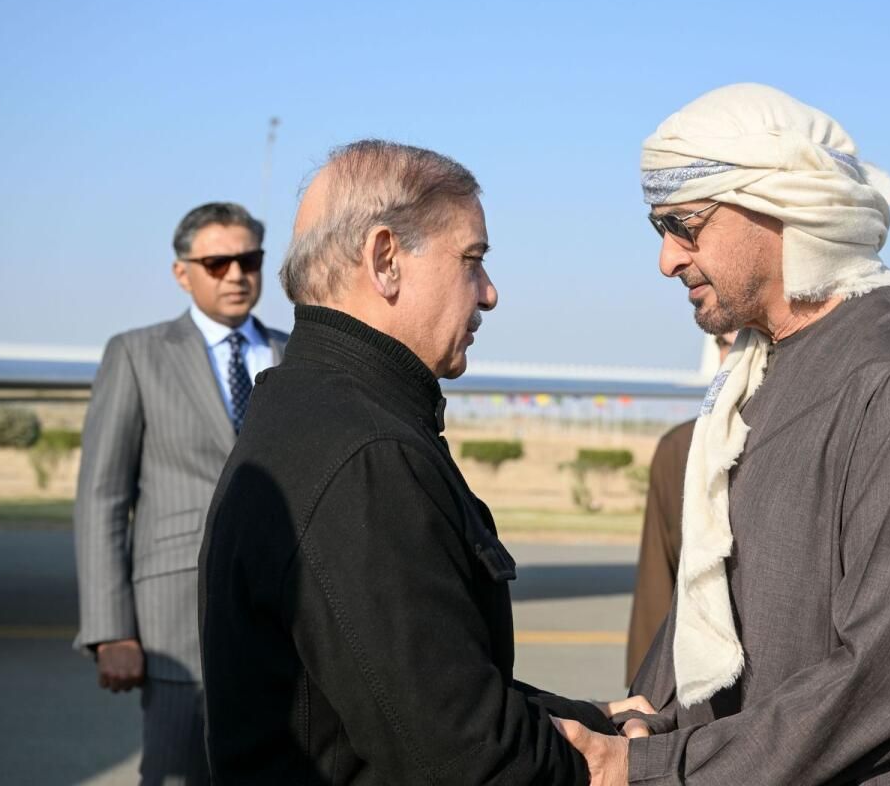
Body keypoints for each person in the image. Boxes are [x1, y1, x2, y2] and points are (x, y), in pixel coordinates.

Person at [554, 84, 890, 784]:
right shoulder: (752, 376)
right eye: (658, 229)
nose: (667, 259)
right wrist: (651, 718)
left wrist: (658, 767)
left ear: (778, 206)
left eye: (684, 224)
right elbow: (710, 612)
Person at [198, 140, 650, 785]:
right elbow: (463, 754)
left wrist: (588, 720)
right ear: (386, 260)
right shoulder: (364, 459)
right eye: (472, 260)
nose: (489, 293)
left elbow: (418, 690)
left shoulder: (313, 414)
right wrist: (613, 767)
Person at [73, 202, 288, 784]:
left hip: (287, 624)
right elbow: (102, 497)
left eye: (249, 260)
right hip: (174, 622)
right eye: (217, 263)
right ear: (182, 273)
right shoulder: (137, 353)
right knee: (175, 774)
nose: (236, 275)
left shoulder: (296, 357)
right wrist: (111, 629)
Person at [626, 333, 734, 684]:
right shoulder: (679, 450)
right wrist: (647, 692)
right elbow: (656, 582)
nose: (733, 357)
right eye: (724, 344)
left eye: (750, 339)